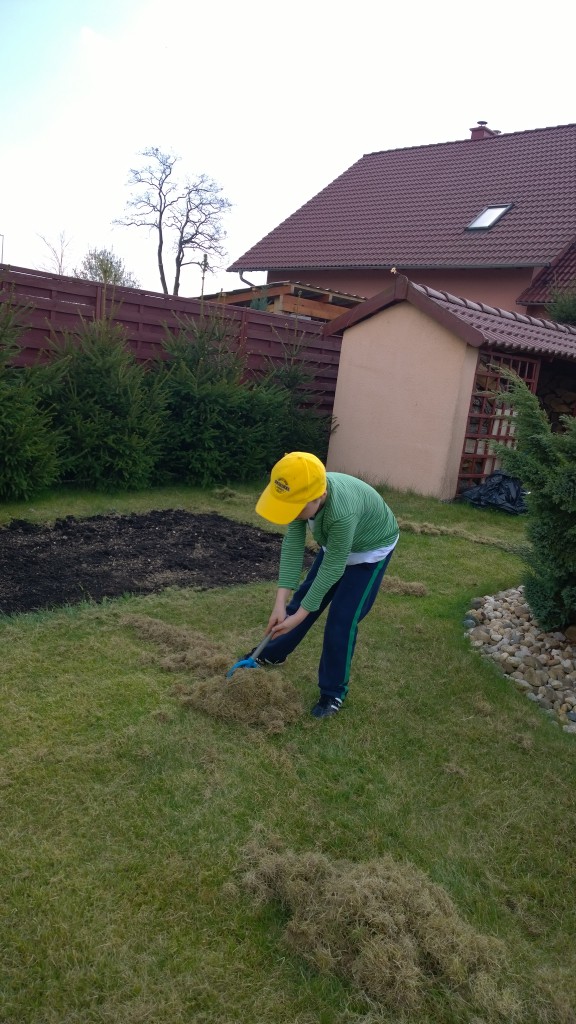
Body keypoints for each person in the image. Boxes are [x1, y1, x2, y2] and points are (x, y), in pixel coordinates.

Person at [249, 451, 399, 718]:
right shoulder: (302, 493)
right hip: (337, 547)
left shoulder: (341, 513)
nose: (293, 514)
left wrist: (300, 616)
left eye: (297, 509)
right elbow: (293, 546)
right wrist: (280, 603)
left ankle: (333, 692)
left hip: (369, 551)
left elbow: (334, 568)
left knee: (342, 620)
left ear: (319, 497)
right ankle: (272, 653)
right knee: (302, 600)